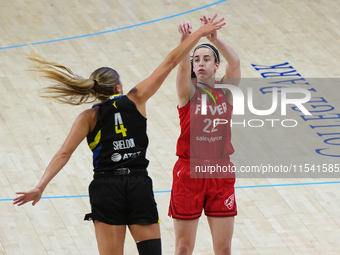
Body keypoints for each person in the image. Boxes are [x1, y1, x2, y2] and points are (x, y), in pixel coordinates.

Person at [12, 15, 226, 255]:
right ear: (118, 88)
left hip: (106, 188)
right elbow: (169, 62)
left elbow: (64, 153)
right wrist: (198, 33)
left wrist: (40, 186)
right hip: (138, 185)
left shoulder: (88, 117)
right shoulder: (136, 98)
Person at [168, 16, 241, 255]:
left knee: (224, 249)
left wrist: (215, 40)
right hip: (189, 171)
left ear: (215, 65)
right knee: (183, 248)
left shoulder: (225, 91)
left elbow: (236, 63)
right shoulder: (187, 93)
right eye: (196, 59)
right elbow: (180, 65)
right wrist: (189, 38)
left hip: (220, 171)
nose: (200, 63)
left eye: (206, 59)